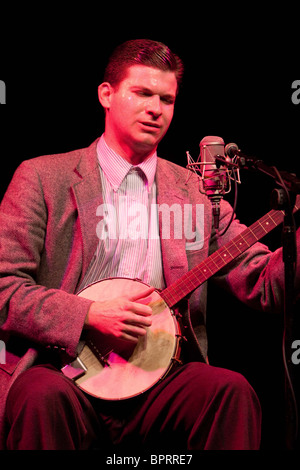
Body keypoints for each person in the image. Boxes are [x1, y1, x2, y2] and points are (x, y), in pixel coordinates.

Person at [0, 39, 298, 451]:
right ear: (107, 95)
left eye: (167, 99)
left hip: (162, 377)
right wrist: (89, 314)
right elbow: (3, 289)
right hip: (64, 370)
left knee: (230, 391)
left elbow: (267, 284)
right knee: (40, 397)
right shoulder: (41, 178)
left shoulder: (195, 193)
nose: (156, 109)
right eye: (142, 93)